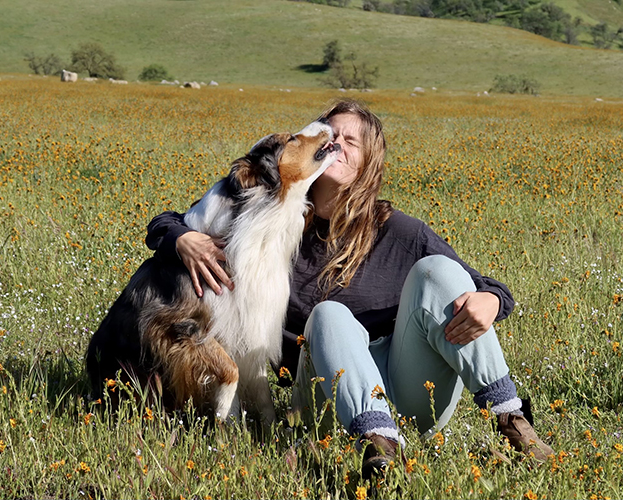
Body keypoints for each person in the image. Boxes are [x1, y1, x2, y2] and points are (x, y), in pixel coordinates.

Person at [145, 99, 554, 478]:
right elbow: (175, 219)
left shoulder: (399, 231)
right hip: (326, 398)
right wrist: (180, 237)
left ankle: (512, 419)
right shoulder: (276, 227)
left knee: (439, 271)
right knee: (329, 316)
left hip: (411, 390)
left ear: (367, 164)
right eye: (330, 133)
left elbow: (488, 286)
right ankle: (378, 446)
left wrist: (490, 299)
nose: (335, 142)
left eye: (350, 140)